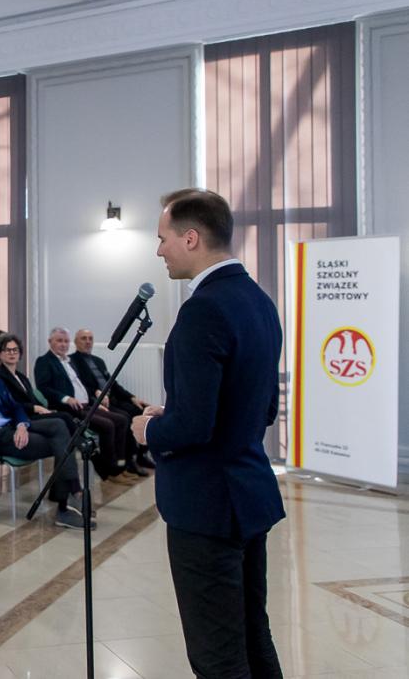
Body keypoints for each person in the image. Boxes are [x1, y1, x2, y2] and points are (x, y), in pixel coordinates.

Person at [131, 188, 284, 678]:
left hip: (207, 506)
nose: (159, 250)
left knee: (217, 656)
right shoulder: (259, 301)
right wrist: (178, 411)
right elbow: (261, 408)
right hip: (247, 494)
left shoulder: (204, 309)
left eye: (163, 238)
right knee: (253, 636)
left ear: (191, 238)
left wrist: (150, 429)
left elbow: (195, 427)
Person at [0, 341, 88, 528]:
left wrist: (22, 426)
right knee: (62, 443)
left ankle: (70, 497)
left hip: (11, 428)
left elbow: (15, 407)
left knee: (58, 425)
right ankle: (69, 501)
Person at [34, 328, 142, 481]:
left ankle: (121, 465)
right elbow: (43, 387)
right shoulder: (44, 361)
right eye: (59, 341)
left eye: (66, 341)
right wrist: (66, 398)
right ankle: (110, 471)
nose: (63, 344)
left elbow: (82, 387)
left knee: (122, 419)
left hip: (87, 405)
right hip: (70, 408)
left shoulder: (69, 362)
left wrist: (95, 402)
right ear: (50, 342)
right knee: (107, 425)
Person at [70, 328, 155, 470]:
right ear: (75, 342)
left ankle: (141, 455)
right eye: (83, 338)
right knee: (126, 417)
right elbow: (79, 387)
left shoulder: (98, 361)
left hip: (112, 399)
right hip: (97, 402)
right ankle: (128, 460)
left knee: (143, 410)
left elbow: (113, 384)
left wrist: (132, 397)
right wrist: (95, 394)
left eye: (90, 338)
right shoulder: (73, 361)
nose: (88, 342)